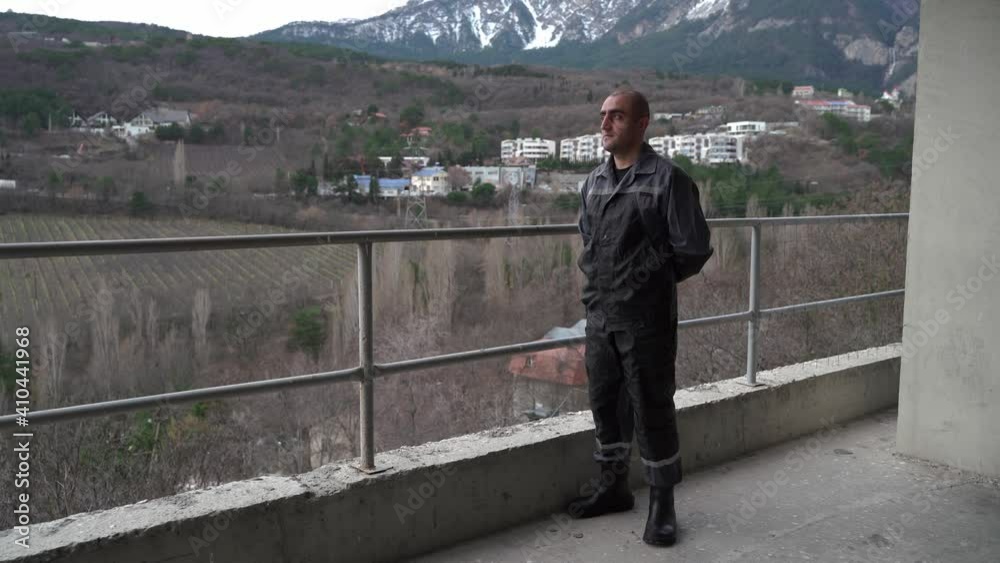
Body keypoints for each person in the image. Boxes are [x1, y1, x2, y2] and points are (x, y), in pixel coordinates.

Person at [568, 90, 713, 547]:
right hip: (600, 317)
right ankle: (613, 487)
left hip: (646, 321)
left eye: (617, 116)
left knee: (652, 408)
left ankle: (662, 503)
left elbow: (692, 249)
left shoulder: (668, 180)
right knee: (605, 404)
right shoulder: (593, 182)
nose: (605, 125)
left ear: (642, 123)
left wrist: (647, 287)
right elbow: (590, 241)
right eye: (603, 116)